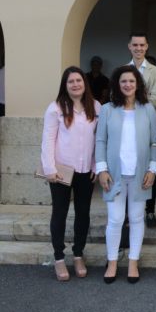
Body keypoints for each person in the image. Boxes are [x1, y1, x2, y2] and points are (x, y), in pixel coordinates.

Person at [96, 65, 156, 284]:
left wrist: (153, 169)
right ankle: (112, 261)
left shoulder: (148, 109)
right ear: (117, 84)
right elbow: (101, 141)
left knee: (136, 218)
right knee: (115, 219)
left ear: (138, 84)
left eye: (132, 81)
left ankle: (133, 261)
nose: (128, 85)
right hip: (114, 174)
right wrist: (102, 169)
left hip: (140, 173)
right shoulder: (107, 109)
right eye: (123, 81)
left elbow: (155, 141)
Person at [41, 66, 101, 281]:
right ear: (65, 86)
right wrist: (49, 169)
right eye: (70, 81)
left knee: (83, 214)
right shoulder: (55, 108)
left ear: (85, 83)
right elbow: (48, 140)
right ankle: (59, 258)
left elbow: (98, 140)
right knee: (60, 213)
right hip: (61, 171)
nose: (75, 84)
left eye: (79, 80)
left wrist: (96, 165)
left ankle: (78, 254)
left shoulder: (95, 107)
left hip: (86, 171)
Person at [127, 33, 156, 228]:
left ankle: (150, 211)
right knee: (128, 165)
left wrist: (131, 97)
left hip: (149, 123)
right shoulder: (123, 70)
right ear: (129, 46)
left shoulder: (155, 71)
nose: (138, 48)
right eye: (135, 45)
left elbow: (155, 100)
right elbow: (119, 98)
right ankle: (128, 210)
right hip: (126, 124)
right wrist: (144, 94)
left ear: (147, 46)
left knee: (151, 164)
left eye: (142, 45)